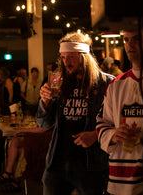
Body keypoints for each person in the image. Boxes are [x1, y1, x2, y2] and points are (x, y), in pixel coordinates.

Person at [37, 32, 114, 195]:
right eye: (63, 57)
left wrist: (95, 134)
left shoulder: (106, 83)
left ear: (84, 57)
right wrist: (45, 102)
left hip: (91, 163)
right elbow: (44, 124)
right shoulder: (59, 82)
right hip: (58, 162)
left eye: (71, 57)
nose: (66, 63)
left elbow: (118, 122)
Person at [96, 29, 143, 195]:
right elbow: (102, 122)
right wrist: (114, 135)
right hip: (120, 182)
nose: (130, 44)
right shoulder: (116, 85)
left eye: (136, 38)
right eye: (126, 39)